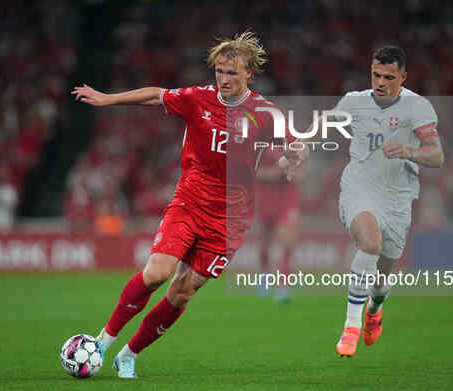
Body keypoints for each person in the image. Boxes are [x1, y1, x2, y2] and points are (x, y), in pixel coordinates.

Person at [71, 31, 299, 379]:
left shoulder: (266, 113)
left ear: (249, 73)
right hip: (189, 202)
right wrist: (107, 99)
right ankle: (101, 342)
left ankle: (129, 355)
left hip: (229, 219)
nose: (223, 79)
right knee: (157, 274)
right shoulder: (198, 99)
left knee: (181, 291)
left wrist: (293, 158)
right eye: (219, 71)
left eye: (231, 73)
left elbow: (298, 146)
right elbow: (156, 95)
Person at [331, 46, 445, 357]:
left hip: (398, 198)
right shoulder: (354, 102)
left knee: (381, 279)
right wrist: (300, 148)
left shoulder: (416, 108)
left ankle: (375, 308)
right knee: (370, 244)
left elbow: (436, 154)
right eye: (376, 75)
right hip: (359, 187)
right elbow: (324, 125)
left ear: (403, 77)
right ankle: (351, 326)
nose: (380, 82)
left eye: (388, 77)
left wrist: (409, 152)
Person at [255, 146, 300, 302]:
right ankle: (264, 278)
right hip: (266, 197)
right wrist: (270, 174)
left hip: (287, 198)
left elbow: (302, 172)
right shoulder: (260, 142)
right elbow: (251, 169)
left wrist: (290, 173)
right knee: (265, 242)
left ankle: (283, 287)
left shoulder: (295, 142)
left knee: (286, 241)